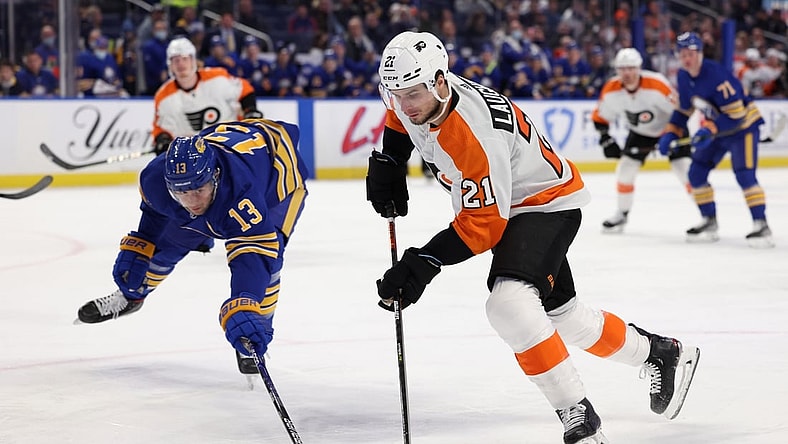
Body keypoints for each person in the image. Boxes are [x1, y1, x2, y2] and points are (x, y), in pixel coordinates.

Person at [367, 31, 700, 444]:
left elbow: (484, 225)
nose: (403, 104)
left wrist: (423, 263)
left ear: (439, 81)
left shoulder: (472, 136)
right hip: (517, 199)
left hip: (545, 203)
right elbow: (400, 117)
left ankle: (578, 415)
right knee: (566, 316)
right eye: (393, 94)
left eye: (411, 94)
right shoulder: (423, 97)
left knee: (509, 304)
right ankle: (659, 353)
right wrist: (391, 160)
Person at [75, 118, 309, 370]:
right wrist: (143, 242)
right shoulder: (156, 179)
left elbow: (254, 256)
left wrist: (246, 301)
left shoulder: (241, 195)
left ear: (215, 175)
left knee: (270, 263)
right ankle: (131, 297)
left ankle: (253, 335)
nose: (191, 201)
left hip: (277, 174)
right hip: (228, 148)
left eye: (199, 190)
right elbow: (155, 212)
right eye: (181, 193)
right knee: (166, 245)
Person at [657, 32, 773, 248]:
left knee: (745, 175)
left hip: (743, 127)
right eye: (681, 53)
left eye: (690, 52)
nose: (686, 58)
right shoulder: (683, 76)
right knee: (696, 172)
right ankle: (709, 220)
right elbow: (684, 109)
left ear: (700, 53)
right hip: (718, 129)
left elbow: (737, 113)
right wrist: (671, 132)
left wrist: (709, 129)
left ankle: (761, 223)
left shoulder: (717, 75)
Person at [591, 48, 691, 232]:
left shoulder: (657, 84)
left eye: (631, 68)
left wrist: (669, 135)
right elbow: (600, 118)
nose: (627, 73)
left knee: (685, 171)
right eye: (622, 69)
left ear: (639, 68)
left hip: (670, 129)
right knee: (625, 170)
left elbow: (680, 112)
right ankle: (622, 214)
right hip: (640, 132)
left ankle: (707, 215)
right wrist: (606, 139)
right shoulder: (611, 90)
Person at [152, 37, 263, 155]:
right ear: (170, 65)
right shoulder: (163, 96)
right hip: (192, 156)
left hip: (229, 147)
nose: (181, 64)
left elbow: (245, 89)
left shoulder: (217, 77)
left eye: (185, 58)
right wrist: (162, 140)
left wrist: (250, 110)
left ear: (193, 60)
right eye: (176, 60)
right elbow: (160, 128)